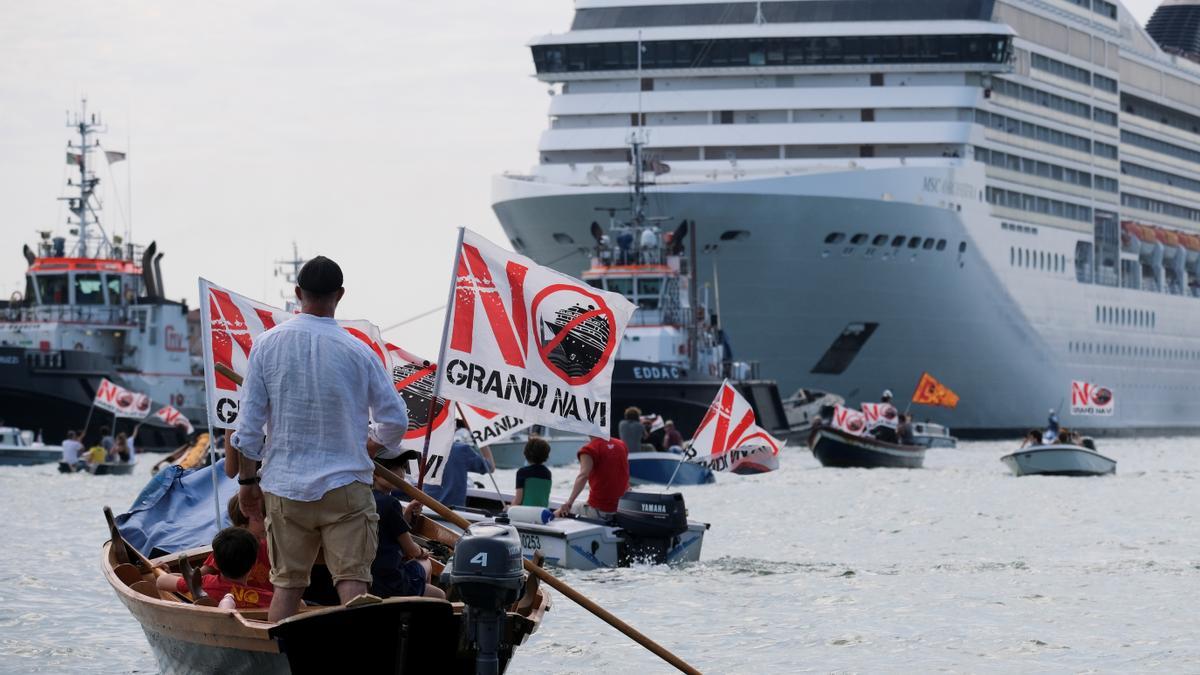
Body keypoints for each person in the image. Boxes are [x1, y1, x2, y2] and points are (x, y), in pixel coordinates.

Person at [230, 255, 409, 622]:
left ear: (298, 293)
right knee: (353, 584)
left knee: (288, 585)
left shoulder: (266, 345)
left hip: (285, 489)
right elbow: (395, 421)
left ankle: (279, 659)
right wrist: (372, 445)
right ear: (339, 295)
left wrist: (248, 483)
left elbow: (248, 430)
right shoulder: (360, 351)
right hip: (346, 487)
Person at [371, 460, 445, 599]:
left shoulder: (366, 498)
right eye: (392, 467)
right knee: (427, 564)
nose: (400, 472)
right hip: (387, 581)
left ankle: (417, 596)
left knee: (435, 591)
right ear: (375, 473)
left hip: (369, 576)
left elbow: (387, 529)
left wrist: (406, 514)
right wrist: (423, 552)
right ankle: (414, 604)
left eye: (403, 467)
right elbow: (411, 550)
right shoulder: (390, 503)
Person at [156, 527, 273, 609]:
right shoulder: (268, 598)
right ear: (253, 565)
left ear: (214, 562)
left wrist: (170, 574)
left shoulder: (204, 583)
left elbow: (161, 582)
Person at [198, 494, 273, 602]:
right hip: (236, 603)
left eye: (268, 516)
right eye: (260, 518)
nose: (267, 521)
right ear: (242, 524)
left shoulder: (271, 546)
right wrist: (168, 573)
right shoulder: (230, 548)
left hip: (266, 604)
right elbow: (198, 576)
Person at [554, 435, 630, 520]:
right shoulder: (621, 444)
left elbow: (583, 476)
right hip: (622, 508)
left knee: (557, 515)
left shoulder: (589, 449)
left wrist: (569, 503)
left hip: (600, 510)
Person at [422, 441, 495, 508]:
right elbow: (490, 467)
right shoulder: (461, 450)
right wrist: (482, 440)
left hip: (425, 511)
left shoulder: (422, 448)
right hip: (453, 515)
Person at [511, 438, 552, 508]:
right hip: (541, 513)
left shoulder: (522, 472)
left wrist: (509, 508)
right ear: (546, 455)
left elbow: (518, 500)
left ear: (526, 454)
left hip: (525, 513)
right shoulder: (548, 473)